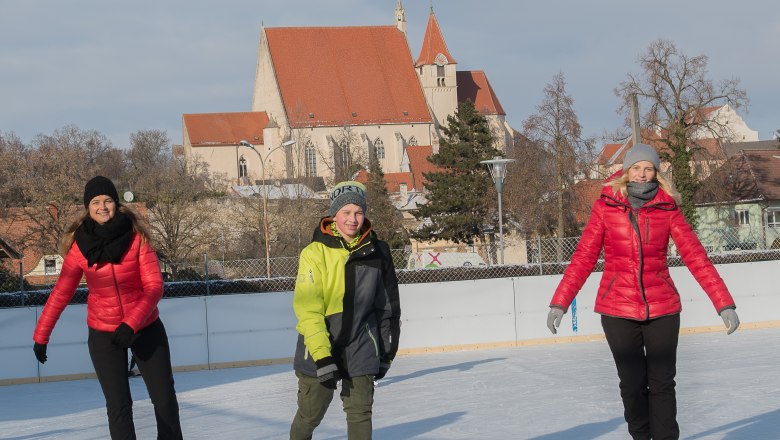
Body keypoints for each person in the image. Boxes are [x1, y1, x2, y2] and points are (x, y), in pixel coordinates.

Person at [546, 144, 740, 440]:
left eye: (648, 168)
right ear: (625, 172)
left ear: (656, 173)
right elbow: (583, 258)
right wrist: (560, 302)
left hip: (662, 309)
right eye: (636, 168)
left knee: (663, 384)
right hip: (617, 310)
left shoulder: (668, 208)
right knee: (632, 385)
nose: (641, 173)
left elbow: (695, 256)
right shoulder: (605, 207)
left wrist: (723, 303)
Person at [32, 176, 183, 440]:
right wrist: (41, 336)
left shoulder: (137, 240)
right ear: (87, 207)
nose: (103, 206)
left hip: (145, 326)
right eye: (95, 202)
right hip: (103, 332)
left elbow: (154, 287)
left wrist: (131, 323)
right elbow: (61, 293)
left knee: (165, 401)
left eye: (108, 200)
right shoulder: (80, 248)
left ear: (116, 204)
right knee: (119, 407)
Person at [290, 181, 401, 440]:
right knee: (310, 414)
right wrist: (323, 357)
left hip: (362, 342)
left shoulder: (378, 252)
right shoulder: (315, 252)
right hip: (320, 343)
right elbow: (309, 310)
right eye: (346, 213)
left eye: (358, 212)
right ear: (334, 215)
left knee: (360, 412)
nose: (353, 219)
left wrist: (386, 352)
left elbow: (387, 307)